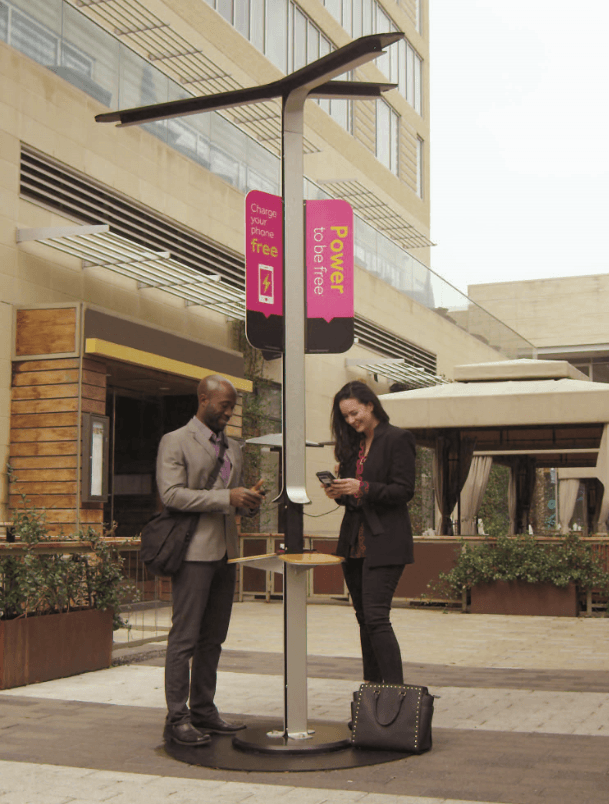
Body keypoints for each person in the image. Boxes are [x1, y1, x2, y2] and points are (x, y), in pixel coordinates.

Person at [156, 374, 264, 746]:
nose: (230, 413)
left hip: (225, 552)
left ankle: (204, 710)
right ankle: (177, 717)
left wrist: (248, 501)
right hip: (192, 553)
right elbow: (171, 495)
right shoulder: (175, 441)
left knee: (213, 638)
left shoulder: (234, 447)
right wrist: (227, 499)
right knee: (184, 637)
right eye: (225, 405)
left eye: (233, 406)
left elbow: (231, 499)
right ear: (203, 399)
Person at [323, 381, 415, 685]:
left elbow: (404, 490)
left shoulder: (398, 439)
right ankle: (373, 702)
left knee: (376, 618)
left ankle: (394, 700)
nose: (351, 421)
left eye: (354, 413)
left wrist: (363, 487)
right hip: (353, 543)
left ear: (370, 405)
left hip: (386, 540)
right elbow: (352, 499)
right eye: (345, 417)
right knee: (365, 620)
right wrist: (338, 492)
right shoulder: (353, 446)